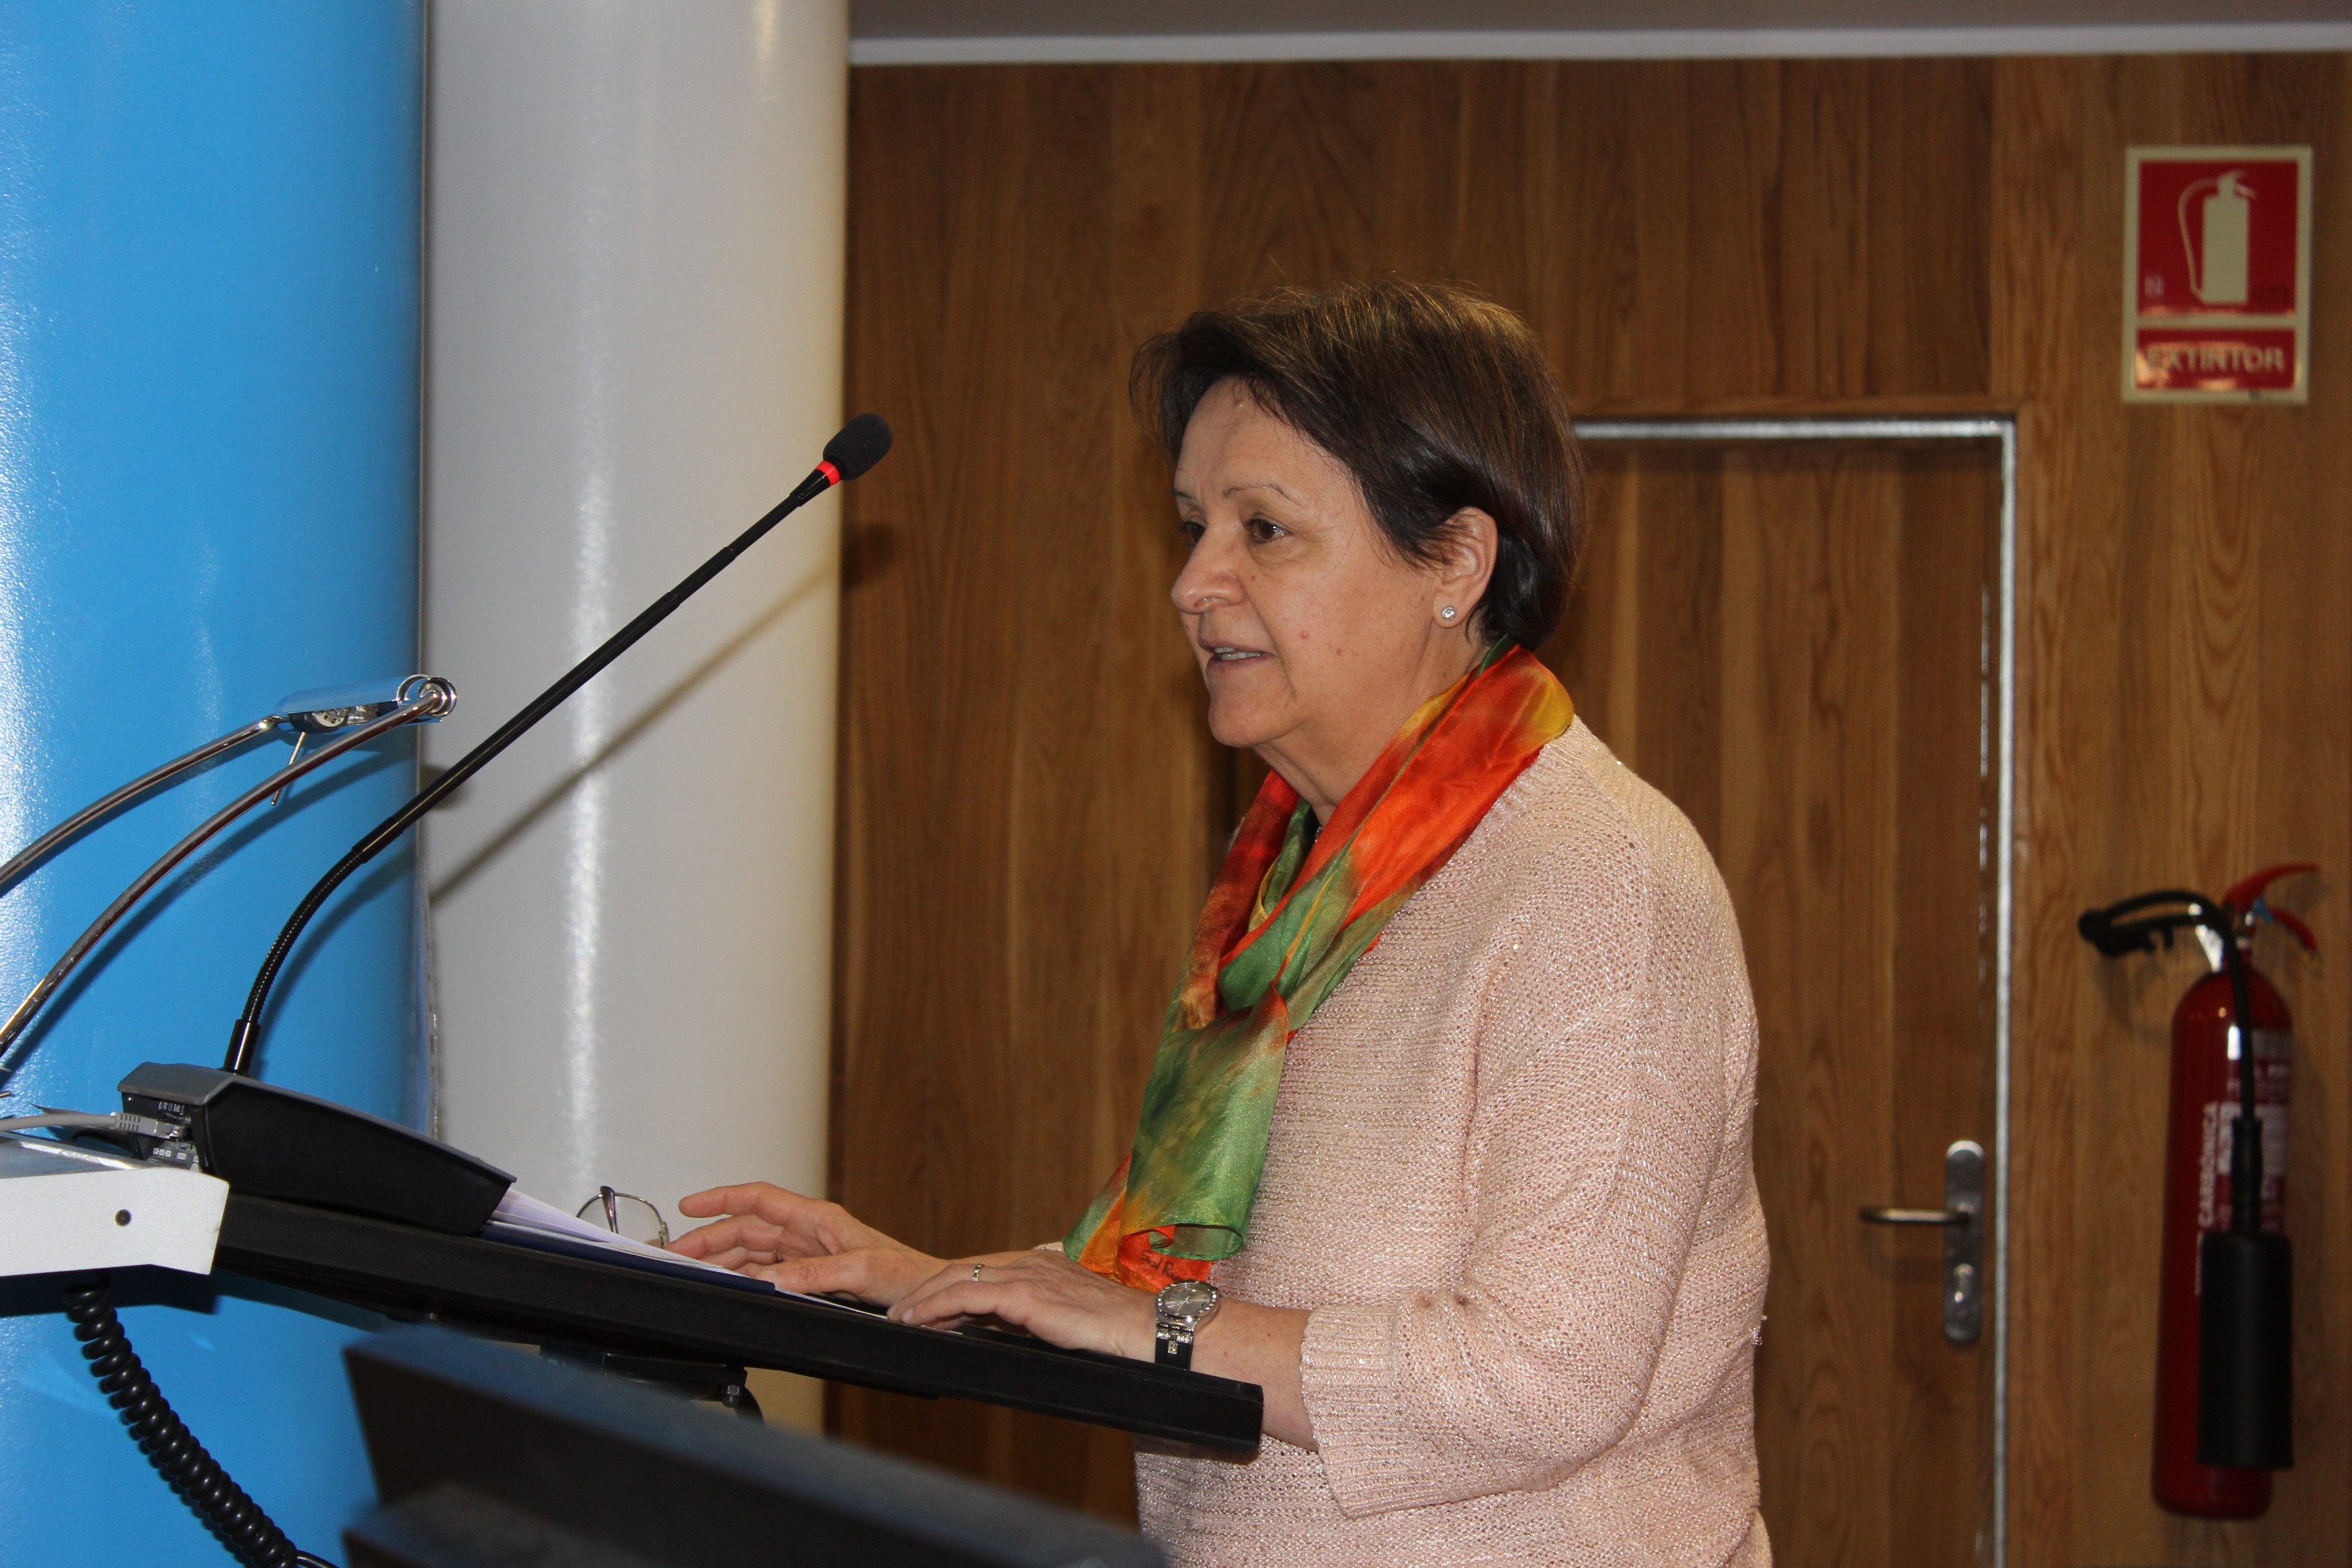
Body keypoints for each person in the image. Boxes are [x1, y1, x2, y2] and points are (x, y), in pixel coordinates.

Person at [672, 280, 1770, 1565]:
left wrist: (1145, 1328)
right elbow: (1227, 1290)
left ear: (1455, 564)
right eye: (1196, 526)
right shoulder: (1306, 879)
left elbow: (1544, 1379)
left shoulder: (1596, 879)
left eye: (1266, 529)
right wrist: (937, 1285)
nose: (1194, 583)